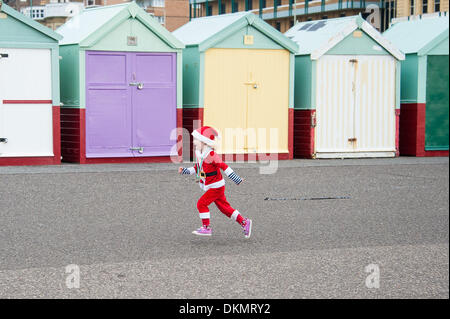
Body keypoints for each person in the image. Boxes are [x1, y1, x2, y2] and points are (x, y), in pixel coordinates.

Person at [178, 126, 252, 238]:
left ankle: (206, 228)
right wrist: (185, 171)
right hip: (212, 185)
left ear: (204, 142)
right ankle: (245, 222)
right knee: (225, 208)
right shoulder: (200, 153)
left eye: (196, 139)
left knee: (201, 203)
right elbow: (197, 168)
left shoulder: (211, 155)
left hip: (216, 187)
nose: (194, 142)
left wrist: (236, 179)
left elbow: (224, 167)